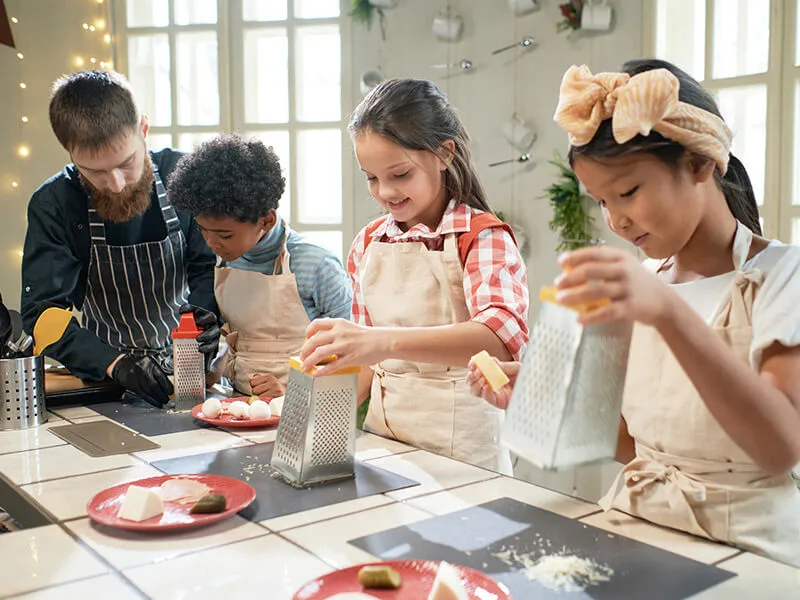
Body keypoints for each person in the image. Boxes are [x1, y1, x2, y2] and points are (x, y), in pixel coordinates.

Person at [469, 59, 800, 566]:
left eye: (628, 192)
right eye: (601, 201)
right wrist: (533, 399)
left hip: (753, 555)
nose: (616, 220)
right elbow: (634, 445)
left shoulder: (782, 275)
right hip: (640, 532)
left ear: (700, 163)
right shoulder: (646, 285)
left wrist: (667, 311)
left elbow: (779, 448)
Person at [300, 79, 530, 472]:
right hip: (385, 449)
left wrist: (379, 342)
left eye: (400, 174)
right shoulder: (368, 243)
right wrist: (310, 414)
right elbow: (367, 363)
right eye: (371, 177)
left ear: (444, 153)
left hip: (464, 457)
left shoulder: (481, 237)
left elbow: (498, 341)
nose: (385, 191)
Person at [21, 70, 219, 408]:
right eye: (95, 172)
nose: (115, 184)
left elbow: (209, 267)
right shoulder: (54, 204)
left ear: (143, 128)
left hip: (192, 371)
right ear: (70, 153)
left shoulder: (184, 177)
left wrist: (207, 320)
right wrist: (112, 363)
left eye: (127, 163)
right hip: (104, 376)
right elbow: (44, 314)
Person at [167, 134, 352, 397]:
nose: (212, 244)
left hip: (303, 412)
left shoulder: (315, 263)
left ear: (266, 220)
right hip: (240, 406)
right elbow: (247, 343)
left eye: (225, 235)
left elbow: (352, 352)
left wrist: (294, 392)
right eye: (203, 230)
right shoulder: (223, 263)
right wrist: (214, 368)